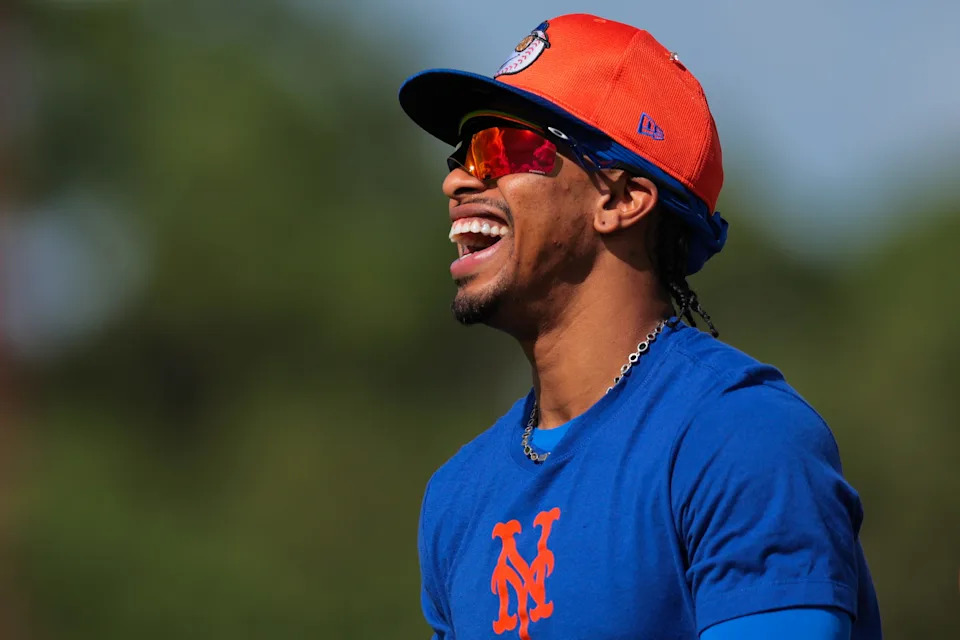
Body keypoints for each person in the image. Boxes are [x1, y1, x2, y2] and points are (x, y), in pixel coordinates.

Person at [398, 13, 882, 640]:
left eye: (503, 148)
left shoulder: (739, 438)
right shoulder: (458, 495)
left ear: (621, 199)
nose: (457, 179)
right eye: (463, 154)